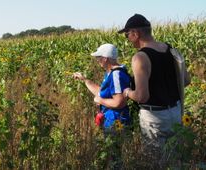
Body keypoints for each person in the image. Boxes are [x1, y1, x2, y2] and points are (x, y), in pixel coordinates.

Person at [118, 14, 190, 147]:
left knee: (155, 161)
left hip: (155, 117)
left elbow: (142, 96)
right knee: (175, 159)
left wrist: (127, 92)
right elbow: (186, 80)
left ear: (136, 33)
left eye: (127, 34)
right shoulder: (170, 49)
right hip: (176, 111)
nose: (127, 39)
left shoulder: (140, 57)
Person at [73, 43, 131, 133]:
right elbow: (101, 92)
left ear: (105, 59)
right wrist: (84, 79)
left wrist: (100, 101)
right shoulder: (110, 72)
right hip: (110, 119)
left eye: (98, 57)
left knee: (115, 145)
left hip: (116, 121)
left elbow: (119, 102)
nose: (97, 60)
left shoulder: (116, 74)